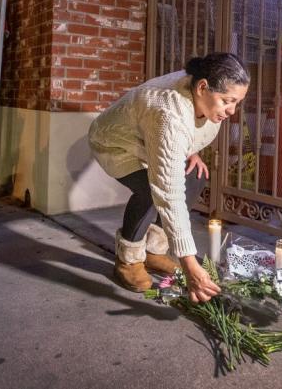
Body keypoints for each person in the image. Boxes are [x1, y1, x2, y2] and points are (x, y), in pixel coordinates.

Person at [88, 52, 250, 300]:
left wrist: (191, 150)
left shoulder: (201, 90)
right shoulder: (168, 113)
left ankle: (153, 252)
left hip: (149, 138)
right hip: (115, 144)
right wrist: (188, 263)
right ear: (202, 88)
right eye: (227, 101)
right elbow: (169, 192)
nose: (232, 111)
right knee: (153, 192)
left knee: (194, 175)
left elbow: (189, 129)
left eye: (237, 102)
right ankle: (128, 260)